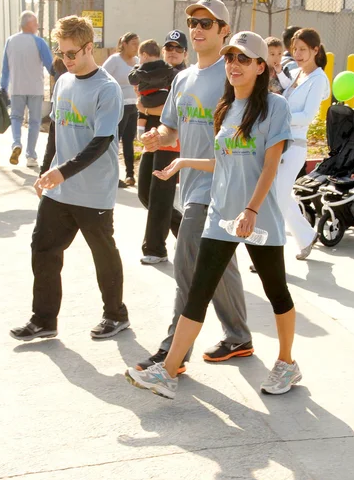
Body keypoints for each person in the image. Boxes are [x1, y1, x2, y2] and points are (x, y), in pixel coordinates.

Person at [125, 31, 301, 399]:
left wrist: (252, 209)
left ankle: (286, 363)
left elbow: (269, 166)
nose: (233, 65)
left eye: (242, 58)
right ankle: (168, 372)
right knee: (198, 291)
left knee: (276, 291)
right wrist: (183, 161)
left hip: (258, 216)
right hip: (222, 212)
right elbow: (223, 163)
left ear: (259, 66)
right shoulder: (226, 107)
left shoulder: (275, 107)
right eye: (230, 58)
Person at [134, 0, 253, 373]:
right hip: (193, 185)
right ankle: (239, 337)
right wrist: (158, 136)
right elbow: (171, 127)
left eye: (206, 22)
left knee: (186, 263)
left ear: (224, 31)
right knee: (218, 263)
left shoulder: (233, 75)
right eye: (192, 22)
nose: (197, 28)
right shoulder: (182, 79)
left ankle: (173, 354)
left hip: (224, 186)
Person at [9, 15, 129, 342]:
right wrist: (45, 171)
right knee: (43, 249)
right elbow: (55, 134)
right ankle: (44, 320)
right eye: (61, 53)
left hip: (94, 192)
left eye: (72, 53)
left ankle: (116, 315)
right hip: (59, 191)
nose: (66, 60)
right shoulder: (63, 81)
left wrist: (62, 172)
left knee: (103, 253)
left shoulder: (107, 89)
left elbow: (102, 141)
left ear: (89, 48)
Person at [277, 28, 330, 260]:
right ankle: (307, 237)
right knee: (278, 195)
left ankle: (269, 254)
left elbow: (307, 116)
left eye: (302, 50)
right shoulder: (298, 74)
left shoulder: (318, 79)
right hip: (280, 142)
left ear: (315, 50)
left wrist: (279, 117)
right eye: (294, 49)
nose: (296, 54)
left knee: (276, 198)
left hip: (295, 146)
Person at [136, 30, 188, 264]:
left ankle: (155, 249)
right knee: (145, 192)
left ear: (186, 53)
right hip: (152, 139)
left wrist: (147, 109)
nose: (173, 52)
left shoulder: (185, 76)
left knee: (159, 195)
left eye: (179, 48)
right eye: (170, 48)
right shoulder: (156, 73)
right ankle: (186, 231)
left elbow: (174, 111)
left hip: (171, 140)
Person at [0, 11, 53, 168]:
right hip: (35, 88)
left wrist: (4, 87)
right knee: (34, 122)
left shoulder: (10, 41)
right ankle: (31, 156)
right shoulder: (39, 42)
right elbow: (50, 64)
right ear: (29, 24)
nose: (37, 26)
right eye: (36, 23)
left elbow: (5, 68)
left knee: (15, 118)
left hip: (16, 87)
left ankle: (16, 143)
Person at [103, 32, 140, 187]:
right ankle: (112, 175)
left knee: (129, 141)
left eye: (138, 44)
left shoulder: (137, 61)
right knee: (114, 141)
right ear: (124, 44)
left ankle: (130, 175)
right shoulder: (115, 60)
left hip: (134, 105)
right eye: (133, 44)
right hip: (119, 105)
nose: (136, 47)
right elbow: (101, 77)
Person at [128, 39, 174, 140]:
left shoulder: (140, 69)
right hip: (164, 98)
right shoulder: (167, 67)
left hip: (146, 100)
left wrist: (137, 69)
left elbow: (132, 80)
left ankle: (140, 133)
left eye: (139, 57)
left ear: (144, 55)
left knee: (140, 107)